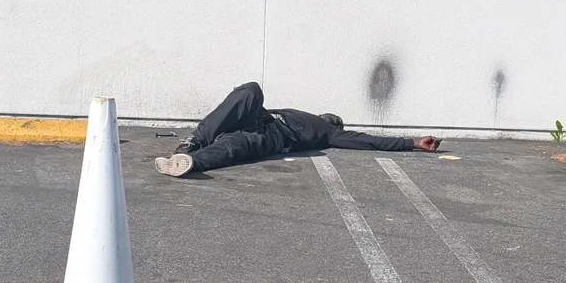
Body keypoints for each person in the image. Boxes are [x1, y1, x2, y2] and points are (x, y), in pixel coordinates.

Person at [154, 81, 441, 176]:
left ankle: (189, 162)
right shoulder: (299, 114)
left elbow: (367, 140)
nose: (332, 118)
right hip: (261, 118)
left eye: (335, 119)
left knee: (235, 147)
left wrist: (413, 143)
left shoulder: (329, 134)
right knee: (251, 90)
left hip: (271, 137)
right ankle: (193, 142)